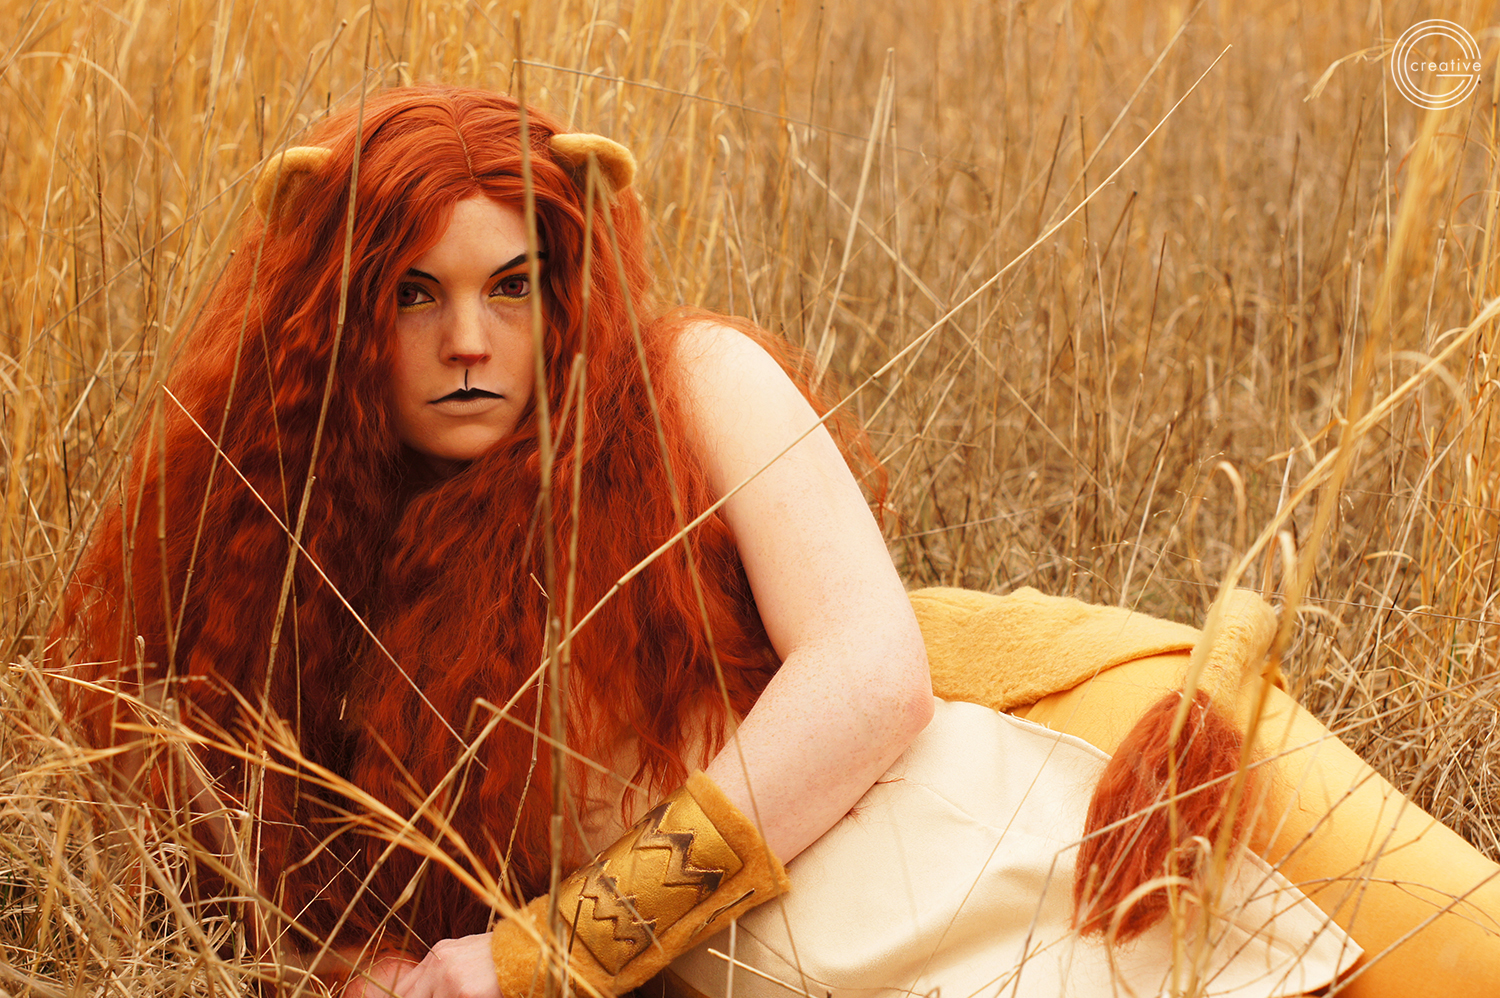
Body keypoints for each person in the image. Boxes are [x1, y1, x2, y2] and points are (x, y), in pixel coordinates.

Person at [52, 85, 1500, 998]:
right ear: (336, 312)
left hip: (1016, 825)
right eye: (415, 293)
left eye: (514, 285)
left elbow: (871, 680)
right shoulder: (297, 546)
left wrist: (554, 954)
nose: (472, 339)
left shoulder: (685, 381)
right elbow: (284, 859)